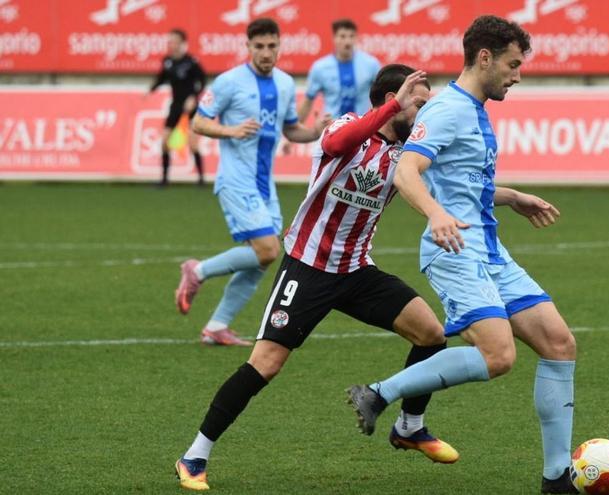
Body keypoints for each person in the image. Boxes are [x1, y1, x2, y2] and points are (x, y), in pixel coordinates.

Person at [174, 65, 459, 492]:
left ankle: (409, 427)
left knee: (432, 334)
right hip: (307, 268)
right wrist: (397, 104)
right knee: (265, 365)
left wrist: (511, 197)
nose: (424, 111)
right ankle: (194, 455)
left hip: (357, 271)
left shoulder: (408, 155)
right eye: (419, 102)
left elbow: (452, 185)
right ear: (390, 100)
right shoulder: (347, 127)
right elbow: (341, 141)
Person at [346, 15, 579, 494]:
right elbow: (407, 171)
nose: (518, 75)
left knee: (559, 343)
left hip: (488, 249)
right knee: (498, 356)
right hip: (453, 251)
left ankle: (557, 478)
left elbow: (463, 186)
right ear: (485, 57)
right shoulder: (449, 108)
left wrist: (511, 196)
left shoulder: (474, 109)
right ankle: (379, 394)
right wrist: (434, 215)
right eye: (513, 65)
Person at [173, 18, 330, 347]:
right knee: (268, 249)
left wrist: (316, 131)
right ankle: (197, 271)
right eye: (258, 46)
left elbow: (291, 130)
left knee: (264, 258)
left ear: (279, 46)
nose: (265, 53)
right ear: (248, 47)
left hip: (264, 184)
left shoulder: (286, 84)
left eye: (271, 46)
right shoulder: (229, 82)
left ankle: (217, 326)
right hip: (235, 181)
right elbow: (199, 123)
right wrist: (230, 130)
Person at [147, 28, 207, 186]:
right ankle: (164, 179)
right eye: (169, 41)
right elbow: (161, 78)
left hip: (191, 106)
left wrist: (194, 97)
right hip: (176, 105)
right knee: (164, 141)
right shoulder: (167, 61)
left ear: (182, 43)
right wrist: (150, 91)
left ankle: (201, 179)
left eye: (174, 41)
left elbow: (202, 81)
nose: (171, 44)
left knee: (192, 143)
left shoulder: (191, 62)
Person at [298, 18, 380, 122]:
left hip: (363, 129)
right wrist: (295, 130)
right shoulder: (320, 68)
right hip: (331, 129)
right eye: (342, 36)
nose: (348, 41)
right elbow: (308, 100)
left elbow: (383, 99)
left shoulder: (371, 64)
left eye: (351, 36)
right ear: (334, 38)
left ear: (356, 38)